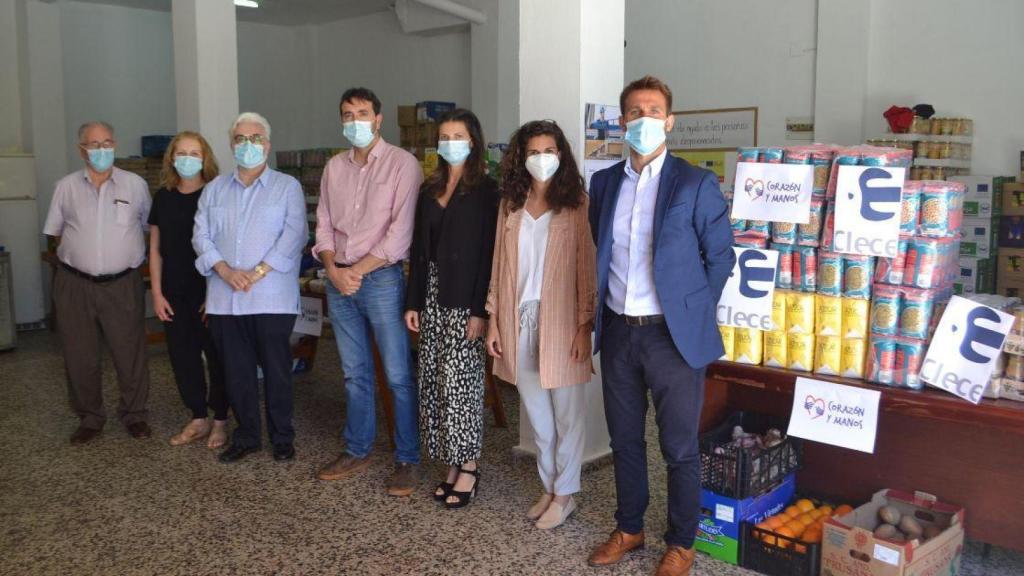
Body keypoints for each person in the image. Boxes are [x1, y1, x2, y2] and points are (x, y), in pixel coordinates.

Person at [586, 76, 735, 576]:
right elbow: (601, 252)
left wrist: (692, 312)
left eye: (653, 111)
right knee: (624, 440)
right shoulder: (604, 183)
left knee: (678, 447)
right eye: (635, 111)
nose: (644, 119)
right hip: (619, 330)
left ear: (669, 122)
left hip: (672, 337)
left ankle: (681, 542)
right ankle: (629, 528)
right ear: (622, 121)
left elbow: (720, 257)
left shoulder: (694, 183)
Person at [485, 120, 596, 529]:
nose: (542, 158)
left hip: (562, 321)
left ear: (561, 154)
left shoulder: (576, 204)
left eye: (549, 150)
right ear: (521, 157)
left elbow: (586, 267)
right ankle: (549, 487)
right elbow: (498, 265)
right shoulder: (511, 204)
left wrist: (584, 325)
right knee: (538, 418)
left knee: (568, 416)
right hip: (518, 319)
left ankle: (565, 495)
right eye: (534, 152)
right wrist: (494, 320)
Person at [313, 87, 424, 497]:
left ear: (378, 119)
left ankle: (407, 458)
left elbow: (401, 233)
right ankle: (357, 449)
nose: (355, 121)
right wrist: (333, 270)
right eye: (348, 114)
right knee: (353, 373)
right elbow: (324, 224)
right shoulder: (333, 168)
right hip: (338, 278)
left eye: (363, 113)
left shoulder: (402, 164)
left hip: (380, 280)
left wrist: (354, 272)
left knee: (397, 374)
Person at [192, 112, 307, 464]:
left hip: (272, 297)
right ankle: (247, 437)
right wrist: (226, 271)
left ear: (267, 145)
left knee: (277, 370)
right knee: (236, 372)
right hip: (225, 299)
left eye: (255, 138)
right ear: (231, 145)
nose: (248, 145)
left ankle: (282, 436)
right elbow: (200, 236)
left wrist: (255, 273)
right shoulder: (213, 190)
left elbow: (294, 235)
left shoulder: (287, 187)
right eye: (240, 139)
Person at [404, 109, 498, 508]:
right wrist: (413, 301)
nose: (450, 142)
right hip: (431, 293)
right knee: (434, 381)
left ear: (472, 140)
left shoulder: (487, 191)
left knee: (462, 383)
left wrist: (480, 310)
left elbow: (489, 254)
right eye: (444, 136)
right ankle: (450, 461)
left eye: (457, 136)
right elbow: (418, 249)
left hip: (465, 297)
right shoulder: (430, 188)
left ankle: (470, 465)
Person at [43, 121, 152, 445]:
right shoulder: (65, 187)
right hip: (75, 284)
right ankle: (90, 417)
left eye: (106, 143)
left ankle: (134, 415)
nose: (101, 150)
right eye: (93, 144)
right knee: (80, 355)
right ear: (82, 150)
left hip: (122, 284)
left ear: (114, 145)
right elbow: (55, 232)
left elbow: (149, 229)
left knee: (129, 353)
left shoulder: (135, 185)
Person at [149, 131, 229, 448]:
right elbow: (155, 250)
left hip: (209, 291)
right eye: (181, 153)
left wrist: (214, 294)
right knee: (183, 357)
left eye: (194, 153)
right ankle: (198, 417)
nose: (187, 159)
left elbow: (224, 247)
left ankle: (220, 419)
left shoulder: (216, 194)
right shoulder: (163, 197)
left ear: (205, 158)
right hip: (173, 292)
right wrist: (157, 293)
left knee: (218, 356)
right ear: (171, 158)